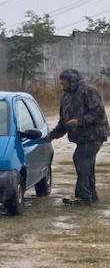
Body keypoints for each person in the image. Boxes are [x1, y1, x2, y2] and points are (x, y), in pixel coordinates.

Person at [48, 68, 107, 206]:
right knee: (87, 165)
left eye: (64, 83)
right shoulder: (66, 97)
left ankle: (83, 197)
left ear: (72, 81)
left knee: (80, 159)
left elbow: (98, 112)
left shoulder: (88, 91)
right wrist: (52, 135)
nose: (62, 86)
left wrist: (79, 121)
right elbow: (64, 122)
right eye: (61, 84)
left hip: (94, 135)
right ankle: (91, 194)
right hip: (81, 138)